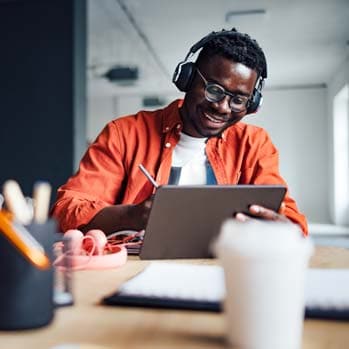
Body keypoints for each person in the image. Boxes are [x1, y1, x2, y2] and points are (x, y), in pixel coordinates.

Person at [51, 28, 308, 236]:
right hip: (136, 268)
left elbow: (292, 223)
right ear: (187, 79)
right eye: (214, 90)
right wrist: (135, 216)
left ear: (251, 104)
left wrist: (281, 229)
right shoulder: (124, 133)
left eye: (238, 99)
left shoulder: (254, 143)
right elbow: (66, 209)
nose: (222, 107)